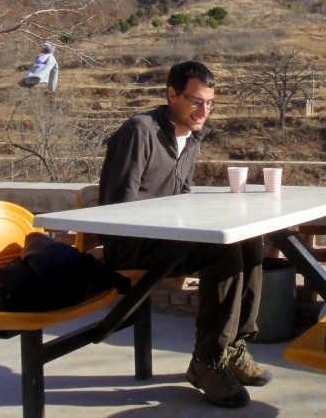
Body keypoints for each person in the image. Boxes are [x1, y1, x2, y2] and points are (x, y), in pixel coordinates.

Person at [97, 60, 269, 408]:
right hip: (131, 245)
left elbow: (181, 196)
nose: (203, 110)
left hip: (166, 238)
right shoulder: (139, 131)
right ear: (171, 94)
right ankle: (206, 361)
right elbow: (118, 210)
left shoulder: (191, 136)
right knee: (222, 251)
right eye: (195, 101)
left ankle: (232, 346)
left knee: (248, 237)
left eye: (209, 103)